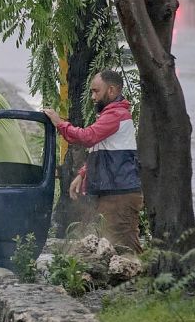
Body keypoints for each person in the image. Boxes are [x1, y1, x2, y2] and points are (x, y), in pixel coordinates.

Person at [43, 70, 143, 253]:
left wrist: (59, 123)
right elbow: (104, 151)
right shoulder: (111, 115)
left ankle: (145, 279)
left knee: (125, 249)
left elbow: (88, 137)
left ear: (111, 90)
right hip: (113, 193)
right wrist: (82, 174)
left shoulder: (116, 115)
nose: (92, 96)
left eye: (96, 91)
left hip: (119, 195)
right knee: (114, 247)